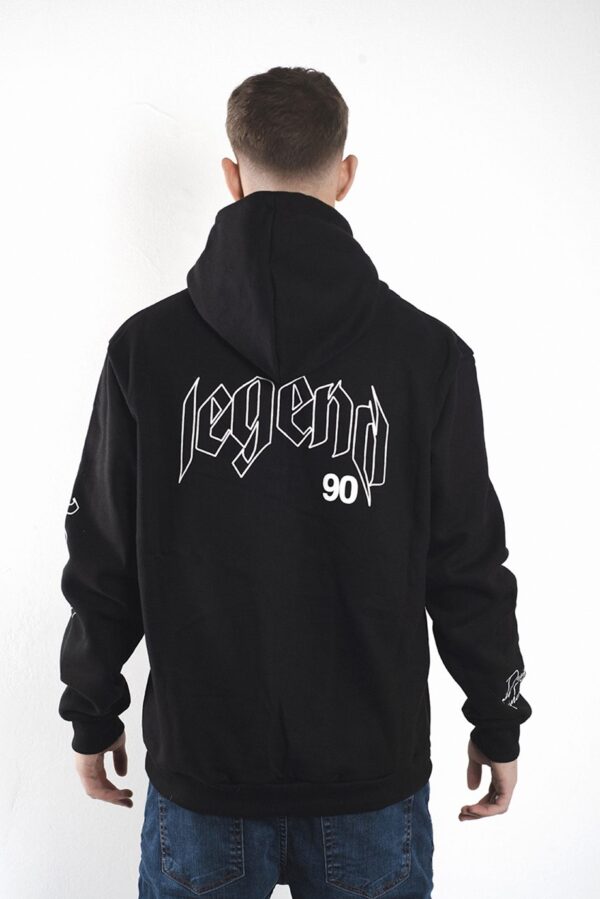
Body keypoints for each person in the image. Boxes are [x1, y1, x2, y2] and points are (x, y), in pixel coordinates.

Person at [58, 66, 532, 898]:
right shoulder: (427, 357)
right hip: (370, 783)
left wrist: (91, 708)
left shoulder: (145, 350)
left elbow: (105, 554)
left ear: (232, 176)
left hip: (204, 776)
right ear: (345, 175)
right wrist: (497, 716)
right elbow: (466, 565)